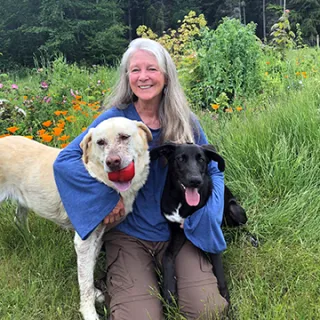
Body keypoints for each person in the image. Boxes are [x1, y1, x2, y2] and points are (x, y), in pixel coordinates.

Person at [53, 38, 228, 320]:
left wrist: (207, 214)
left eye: (152, 69)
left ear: (166, 75)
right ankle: (121, 279)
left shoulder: (186, 121)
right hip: (130, 233)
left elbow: (214, 171)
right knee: (138, 317)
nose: (143, 77)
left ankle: (165, 276)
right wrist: (106, 200)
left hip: (181, 232)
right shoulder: (114, 120)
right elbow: (66, 161)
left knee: (207, 311)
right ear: (127, 77)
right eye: (135, 70)